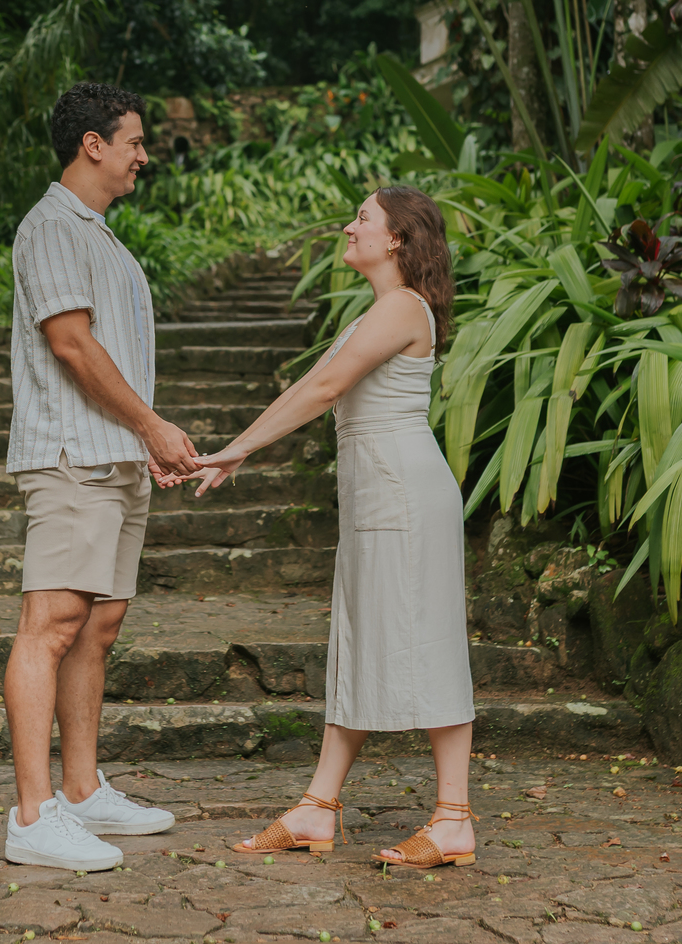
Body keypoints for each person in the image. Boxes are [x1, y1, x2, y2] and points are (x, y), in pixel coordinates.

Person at [190, 185, 476, 870]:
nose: (350, 227)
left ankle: (454, 818)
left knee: (428, 640)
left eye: (363, 219)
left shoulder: (403, 307)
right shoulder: (381, 309)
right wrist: (239, 445)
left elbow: (322, 392)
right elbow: (311, 383)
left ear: (398, 239)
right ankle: (318, 807)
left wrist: (240, 449)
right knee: (357, 641)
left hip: (404, 496)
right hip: (380, 495)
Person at [2, 82, 200, 872]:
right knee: (49, 623)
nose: (144, 156)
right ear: (92, 144)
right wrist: (151, 425)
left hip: (115, 459)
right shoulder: (51, 228)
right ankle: (32, 815)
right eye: (134, 142)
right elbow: (73, 347)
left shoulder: (104, 238)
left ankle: (83, 793)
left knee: (99, 627)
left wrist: (143, 441)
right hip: (70, 458)